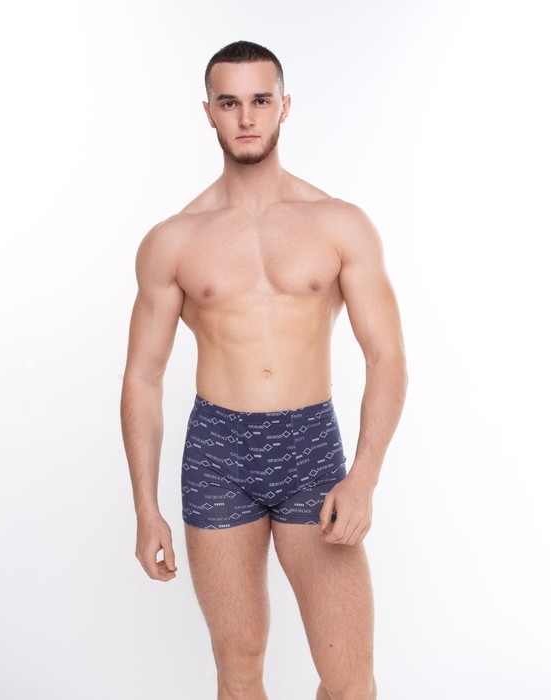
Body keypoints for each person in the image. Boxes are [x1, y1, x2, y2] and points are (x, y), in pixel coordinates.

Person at [121, 40, 407, 700]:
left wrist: (364, 478)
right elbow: (142, 378)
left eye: (260, 100)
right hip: (218, 453)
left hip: (311, 450)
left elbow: (387, 357)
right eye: (229, 103)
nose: (246, 117)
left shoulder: (339, 224)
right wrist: (145, 508)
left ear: (284, 107)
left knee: (350, 681)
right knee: (240, 667)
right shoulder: (173, 240)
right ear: (208, 113)